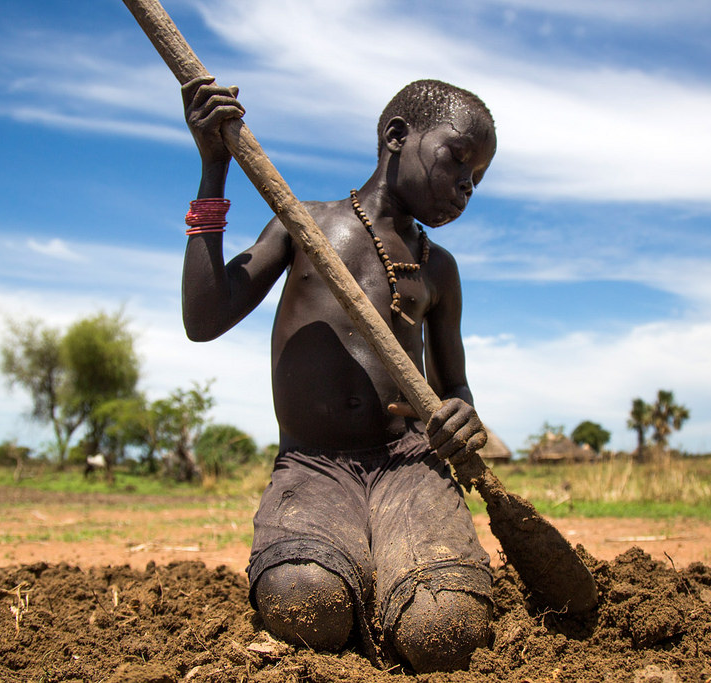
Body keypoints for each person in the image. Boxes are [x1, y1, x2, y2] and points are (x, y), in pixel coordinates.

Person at [181, 76, 497, 672]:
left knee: (445, 628)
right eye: (458, 160)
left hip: (409, 467)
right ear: (397, 136)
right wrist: (213, 169)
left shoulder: (440, 268)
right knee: (307, 603)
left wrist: (461, 413)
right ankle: (348, 562)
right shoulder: (305, 224)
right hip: (313, 467)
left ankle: (397, 564)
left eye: (476, 179)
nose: (465, 186)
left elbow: (453, 386)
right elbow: (204, 317)